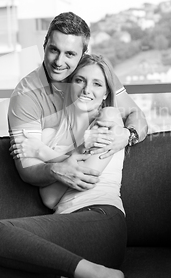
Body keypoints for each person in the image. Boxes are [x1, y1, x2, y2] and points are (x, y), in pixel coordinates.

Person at [0, 54, 136, 278]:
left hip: (101, 223)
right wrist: (54, 152)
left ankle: (101, 275)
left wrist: (43, 152)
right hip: (66, 232)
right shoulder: (51, 133)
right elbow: (49, 197)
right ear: (69, 85)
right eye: (80, 80)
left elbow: (85, 176)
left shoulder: (108, 125)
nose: (87, 89)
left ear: (105, 94)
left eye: (97, 84)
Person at [8, 12, 148, 194]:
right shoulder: (26, 95)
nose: (59, 61)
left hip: (100, 189)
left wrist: (127, 135)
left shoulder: (94, 72)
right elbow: (28, 169)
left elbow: (136, 116)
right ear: (45, 44)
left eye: (70, 54)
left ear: (83, 54)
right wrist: (57, 170)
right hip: (54, 195)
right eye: (54, 50)